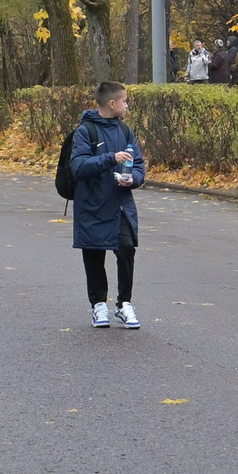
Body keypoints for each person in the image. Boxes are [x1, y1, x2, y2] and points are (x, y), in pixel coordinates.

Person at [68, 81, 146, 329]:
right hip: (91, 204)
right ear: (112, 103)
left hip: (120, 203)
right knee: (93, 252)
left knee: (126, 249)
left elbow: (139, 164)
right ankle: (98, 304)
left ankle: (124, 304)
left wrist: (133, 179)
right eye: (124, 101)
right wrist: (110, 158)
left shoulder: (125, 131)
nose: (127, 105)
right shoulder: (85, 131)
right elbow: (78, 167)